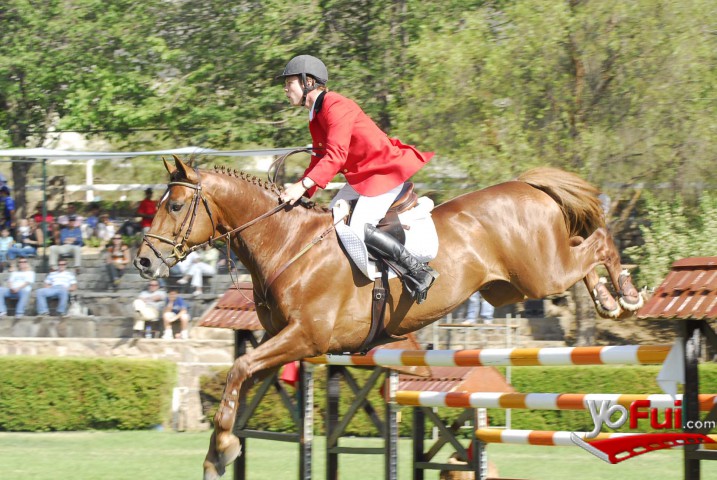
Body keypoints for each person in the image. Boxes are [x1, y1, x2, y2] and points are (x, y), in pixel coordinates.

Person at [276, 55, 438, 303]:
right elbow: (319, 159)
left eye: (290, 83)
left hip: (382, 172)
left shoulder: (335, 105)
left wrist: (302, 186)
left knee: (358, 228)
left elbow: (336, 156)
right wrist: (300, 196)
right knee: (328, 228)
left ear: (308, 81)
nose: (286, 89)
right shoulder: (315, 114)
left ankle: (418, 271)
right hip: (361, 178)